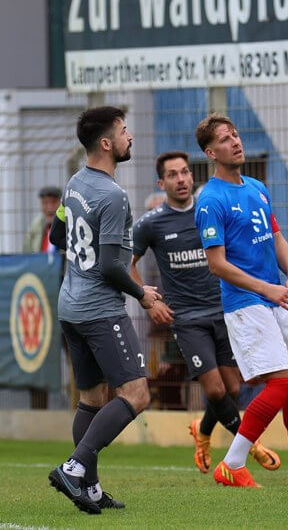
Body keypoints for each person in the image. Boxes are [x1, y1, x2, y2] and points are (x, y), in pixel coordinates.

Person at [193, 113, 288, 488]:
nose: (235, 141)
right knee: (282, 385)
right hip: (246, 303)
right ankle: (232, 464)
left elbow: (278, 237)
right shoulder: (210, 199)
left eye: (235, 135)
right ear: (211, 152)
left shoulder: (256, 186)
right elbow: (217, 265)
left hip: (276, 298)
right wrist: (266, 288)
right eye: (224, 139)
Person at [130, 151, 280, 474]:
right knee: (214, 390)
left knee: (234, 388)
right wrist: (149, 300)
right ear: (162, 182)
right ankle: (250, 445)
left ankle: (204, 430)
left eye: (185, 172)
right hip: (186, 318)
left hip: (223, 309)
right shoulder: (151, 223)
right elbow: (124, 265)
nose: (181, 179)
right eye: (173, 175)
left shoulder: (207, 209)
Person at [47, 107, 162, 514]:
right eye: (125, 131)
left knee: (92, 398)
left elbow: (57, 233)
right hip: (98, 310)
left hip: (70, 306)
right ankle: (74, 467)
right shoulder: (112, 195)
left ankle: (89, 488)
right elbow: (114, 266)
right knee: (137, 393)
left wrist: (83, 263)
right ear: (107, 143)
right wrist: (142, 294)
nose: (130, 136)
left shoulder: (75, 183)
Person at [24, 186, 62, 253]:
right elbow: (27, 253)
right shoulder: (35, 225)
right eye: (45, 203)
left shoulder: (68, 223)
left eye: (54, 202)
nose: (50, 207)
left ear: (61, 203)